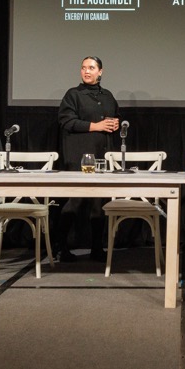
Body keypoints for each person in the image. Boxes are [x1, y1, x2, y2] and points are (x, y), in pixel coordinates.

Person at [56, 56, 119, 261]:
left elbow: (113, 117)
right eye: (83, 68)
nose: (87, 71)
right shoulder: (73, 94)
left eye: (91, 68)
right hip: (79, 156)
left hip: (102, 154)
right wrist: (96, 126)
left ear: (100, 72)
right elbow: (66, 121)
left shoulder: (108, 96)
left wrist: (115, 124)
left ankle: (97, 248)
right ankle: (62, 247)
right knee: (75, 201)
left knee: (98, 203)